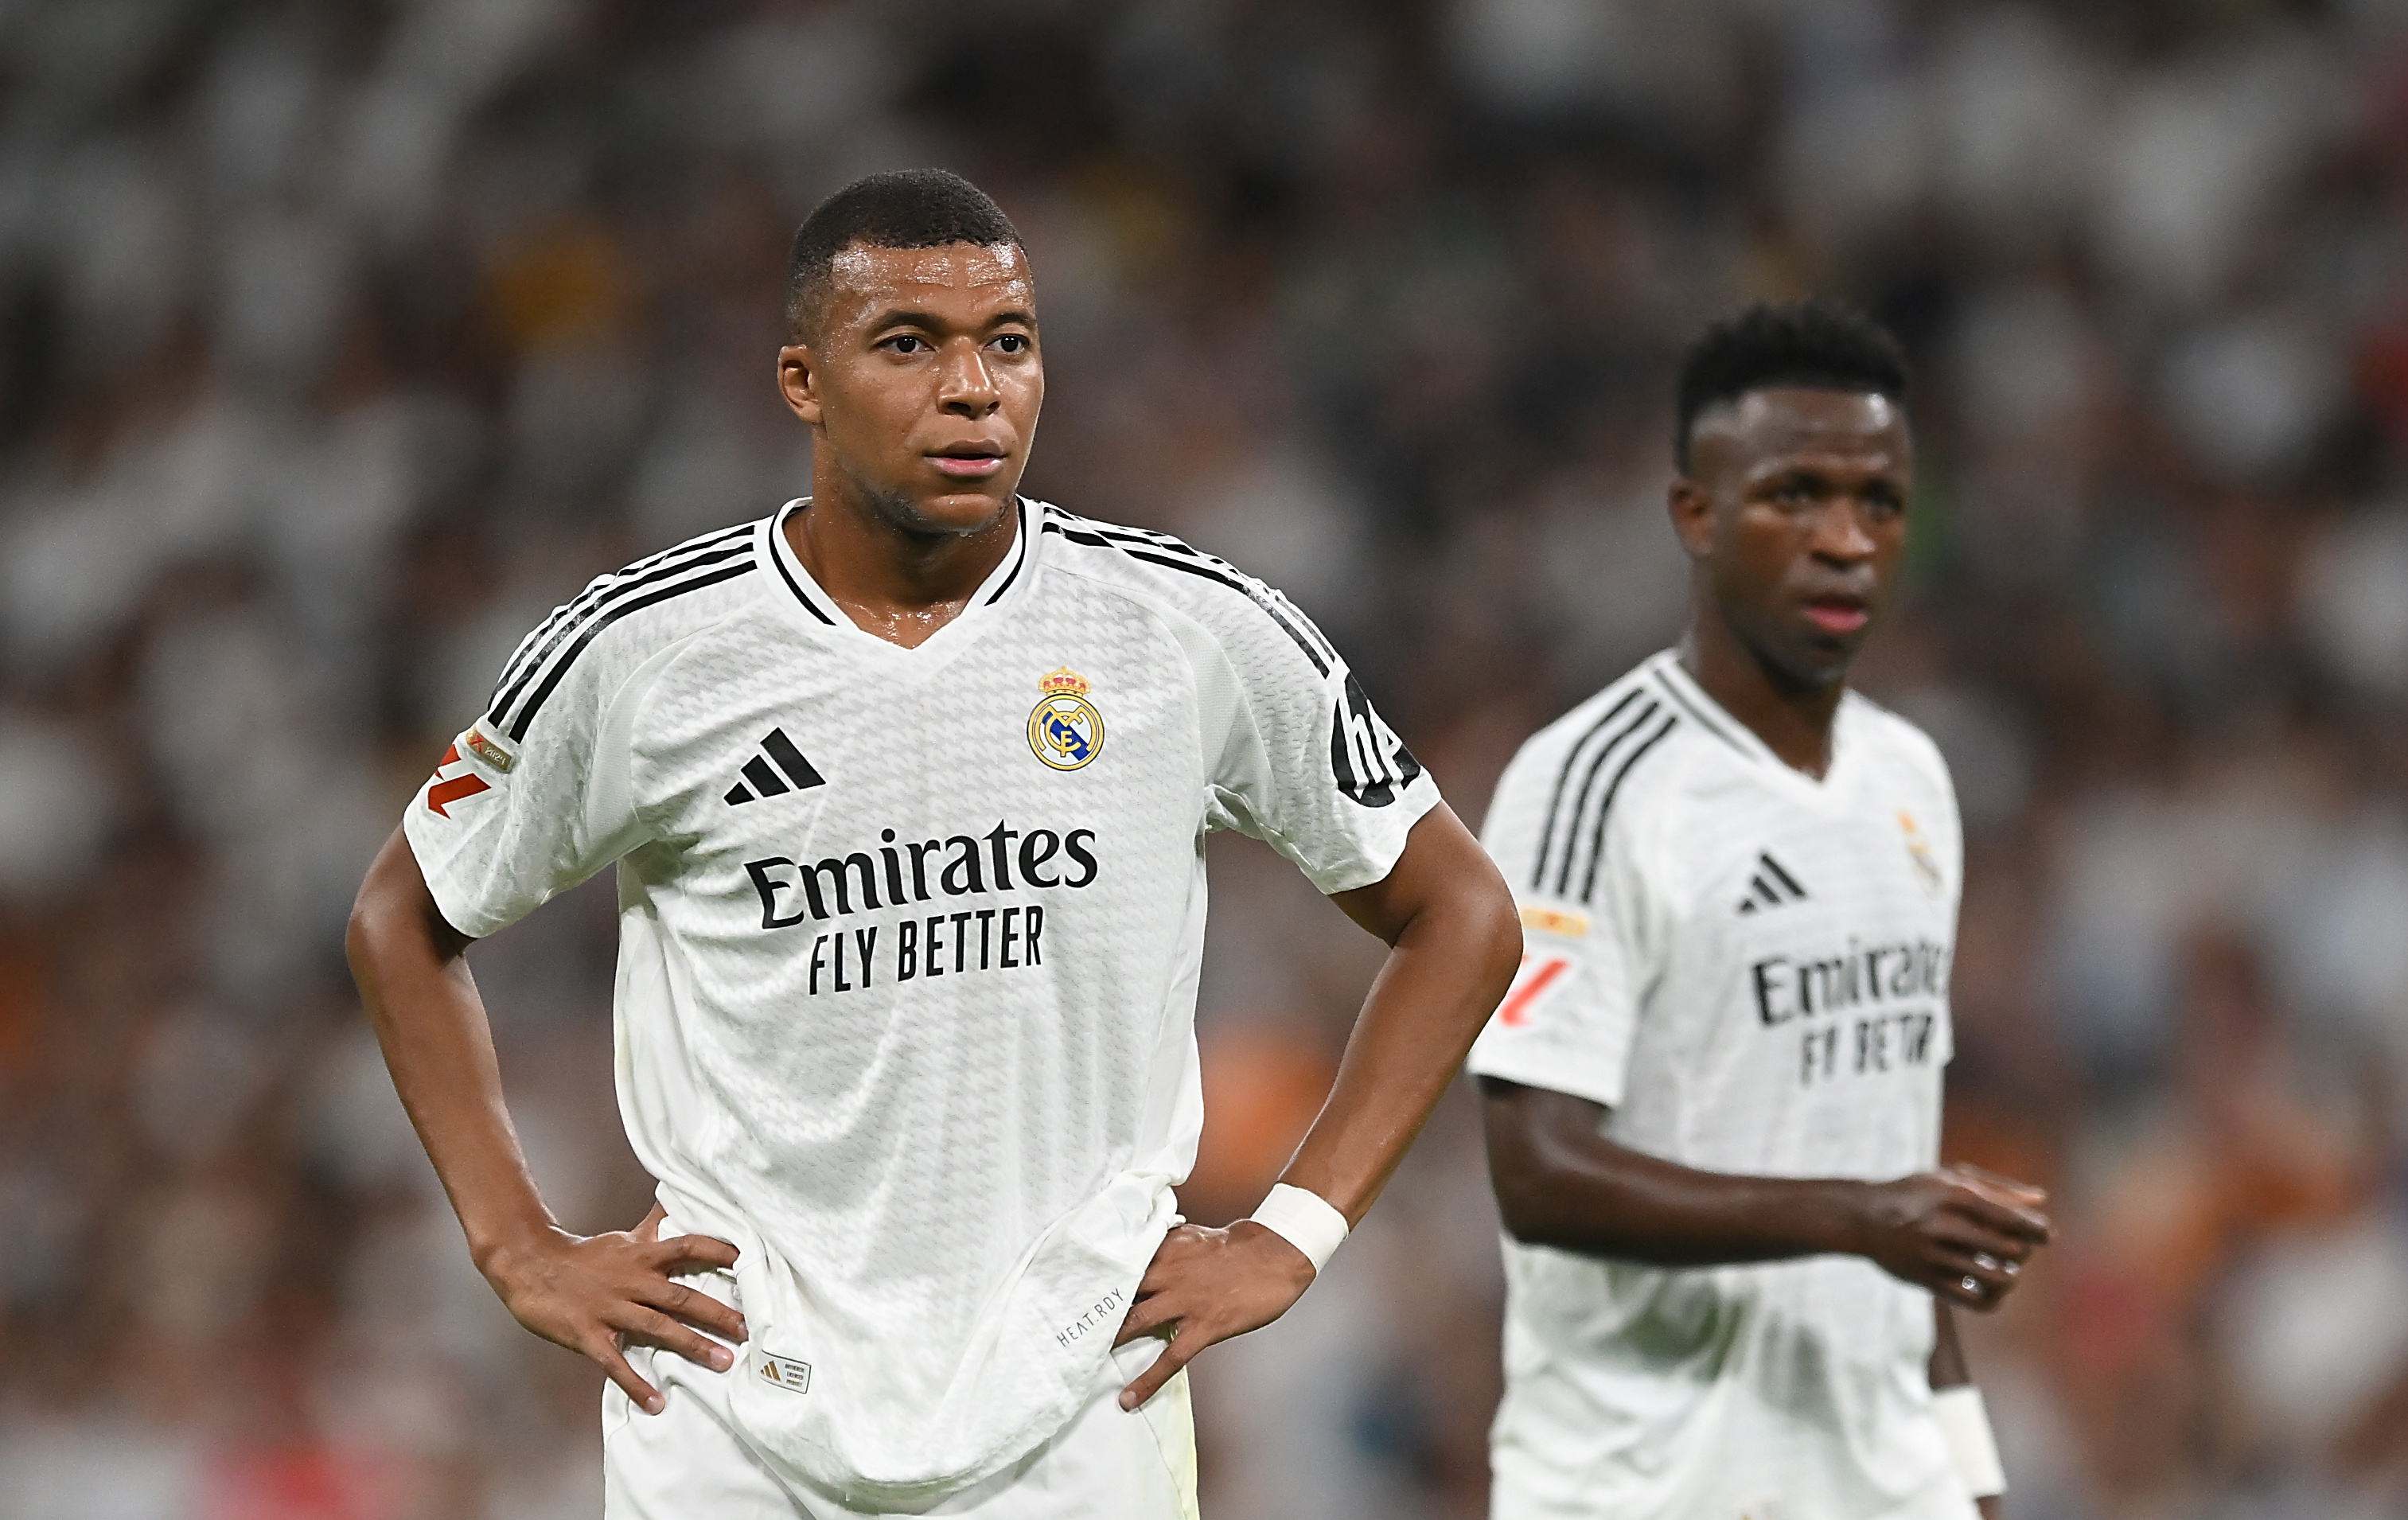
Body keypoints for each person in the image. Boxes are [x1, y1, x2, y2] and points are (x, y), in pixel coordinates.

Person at [345, 168, 1520, 1520]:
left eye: (1006, 343)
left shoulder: (1186, 630)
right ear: (802, 378)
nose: (974, 387)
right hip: (732, 1403)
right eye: (908, 342)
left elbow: (1462, 910)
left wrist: (1290, 1233)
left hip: (1079, 1401)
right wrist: (518, 1246)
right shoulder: (644, 652)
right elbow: (402, 915)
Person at [1466, 302, 2054, 1520]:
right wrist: (1858, 1220)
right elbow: (1536, 1169)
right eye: (1797, 495)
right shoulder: (1591, 781)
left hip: (1883, 1479)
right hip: (1647, 1483)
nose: (1845, 541)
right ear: (1695, 512)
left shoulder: (1911, 780)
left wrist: (1974, 1482)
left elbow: (1897, 1171)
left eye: (1878, 503)